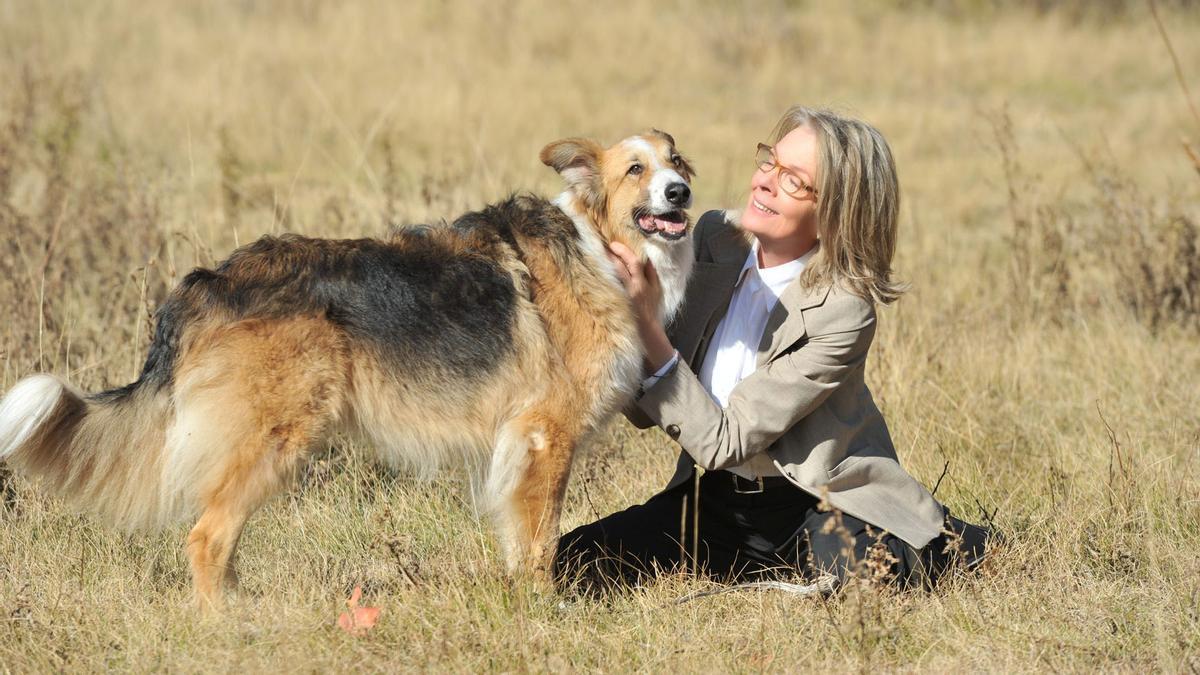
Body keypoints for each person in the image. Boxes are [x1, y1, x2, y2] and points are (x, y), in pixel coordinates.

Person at [554, 106, 992, 593]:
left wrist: (644, 325)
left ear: (834, 214)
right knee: (572, 561)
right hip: (718, 502)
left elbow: (725, 442)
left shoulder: (844, 311)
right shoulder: (713, 242)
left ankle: (954, 542)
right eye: (770, 162)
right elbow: (642, 408)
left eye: (794, 181)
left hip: (818, 505)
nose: (765, 183)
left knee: (869, 582)